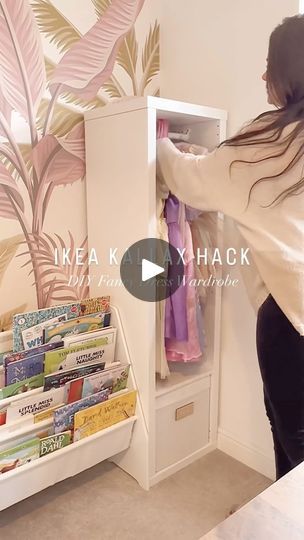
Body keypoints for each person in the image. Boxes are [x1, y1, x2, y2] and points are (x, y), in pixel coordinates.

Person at [156, 14, 304, 481]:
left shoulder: (263, 142)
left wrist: (161, 144)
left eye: (268, 66)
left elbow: (190, 182)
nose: (263, 76)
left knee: (292, 439)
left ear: (287, 73)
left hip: (289, 319)